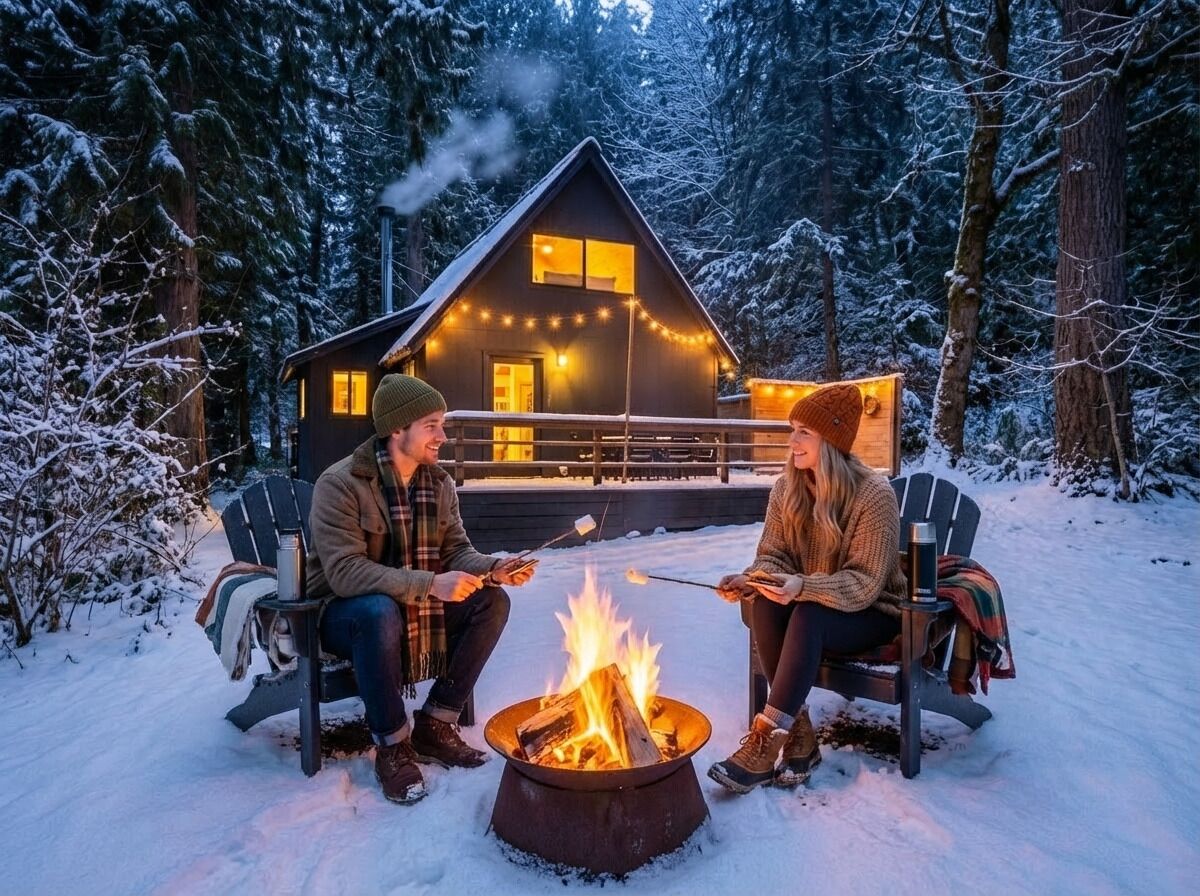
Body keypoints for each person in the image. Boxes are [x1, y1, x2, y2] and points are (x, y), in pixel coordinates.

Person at [306, 373, 536, 805]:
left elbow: (457, 551)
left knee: (491, 601)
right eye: (431, 425)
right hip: (342, 616)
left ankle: (435, 723)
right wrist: (431, 585)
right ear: (397, 429)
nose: (442, 436)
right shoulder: (340, 484)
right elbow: (345, 573)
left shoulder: (439, 485)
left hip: (407, 607)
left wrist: (494, 569)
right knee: (378, 611)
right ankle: (393, 747)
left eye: (442, 424)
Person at [707, 383, 907, 794]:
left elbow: (865, 583)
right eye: (792, 429)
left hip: (872, 613)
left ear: (831, 441)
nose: (791, 441)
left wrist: (802, 586)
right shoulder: (787, 488)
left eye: (804, 433)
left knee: (808, 612)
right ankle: (799, 736)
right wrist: (755, 578)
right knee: (765, 602)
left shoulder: (873, 495)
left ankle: (764, 743)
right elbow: (773, 555)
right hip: (811, 603)